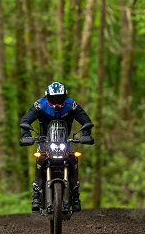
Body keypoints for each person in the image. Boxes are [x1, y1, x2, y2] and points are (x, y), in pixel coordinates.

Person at [20, 82, 94, 213]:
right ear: (47, 97)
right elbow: (25, 121)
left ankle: (75, 195)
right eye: (53, 98)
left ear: (65, 97)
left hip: (64, 142)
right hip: (44, 142)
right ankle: (36, 194)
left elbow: (86, 121)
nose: (57, 102)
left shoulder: (71, 105)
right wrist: (27, 136)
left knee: (73, 158)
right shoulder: (40, 105)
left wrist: (86, 135)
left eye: (60, 98)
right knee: (40, 158)